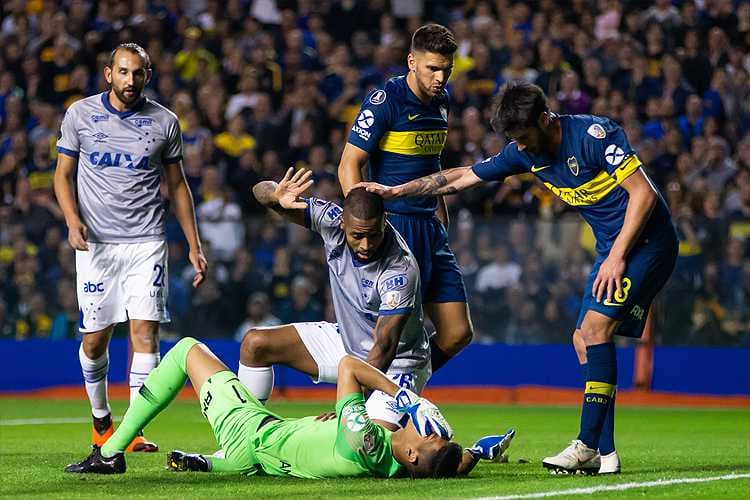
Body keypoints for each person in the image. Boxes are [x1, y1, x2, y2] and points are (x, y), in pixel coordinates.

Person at [357, 80, 679, 475]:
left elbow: (643, 195)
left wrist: (616, 256)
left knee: (595, 331)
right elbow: (460, 178)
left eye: (524, 137)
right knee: (584, 340)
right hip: (612, 246)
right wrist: (396, 191)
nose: (521, 147)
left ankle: (586, 445)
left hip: (647, 242)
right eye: (515, 140)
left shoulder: (596, 135)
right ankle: (605, 452)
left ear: (545, 119)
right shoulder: (525, 153)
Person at [64, 337, 515, 478]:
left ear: (414, 454)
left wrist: (408, 398)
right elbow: (447, 465)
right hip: (262, 450)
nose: (423, 429)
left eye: (428, 436)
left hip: (252, 431)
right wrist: (473, 451)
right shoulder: (395, 459)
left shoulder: (363, 440)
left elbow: (348, 367)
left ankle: (110, 452)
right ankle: (212, 463)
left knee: (185, 351)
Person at [53, 43, 207, 452]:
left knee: (146, 334)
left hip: (147, 242)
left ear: (148, 76)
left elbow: (177, 186)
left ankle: (131, 431)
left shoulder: (165, 122)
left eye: (138, 73)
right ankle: (101, 420)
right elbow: (62, 175)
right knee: (94, 340)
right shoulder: (80, 115)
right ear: (108, 73)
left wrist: (194, 244)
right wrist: (72, 221)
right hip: (96, 245)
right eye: (123, 72)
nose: (130, 80)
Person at [242, 168, 435, 431]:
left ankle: (454, 449)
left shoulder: (400, 271)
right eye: (358, 236)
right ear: (342, 222)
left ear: (384, 221)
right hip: (347, 343)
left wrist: (349, 406)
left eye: (373, 235)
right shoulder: (329, 220)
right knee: (255, 344)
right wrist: (275, 196)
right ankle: (245, 435)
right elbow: (258, 191)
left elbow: (385, 346)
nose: (366, 245)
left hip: (396, 365)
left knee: (365, 443)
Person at [337, 24, 473, 374]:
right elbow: (349, 164)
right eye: (433, 68)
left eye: (447, 69)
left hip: (430, 227)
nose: (441, 77)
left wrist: (441, 216)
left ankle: (408, 386)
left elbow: (433, 164)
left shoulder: (441, 102)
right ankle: (365, 405)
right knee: (388, 339)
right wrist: (363, 227)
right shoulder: (386, 101)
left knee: (458, 333)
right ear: (412, 62)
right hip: (394, 227)